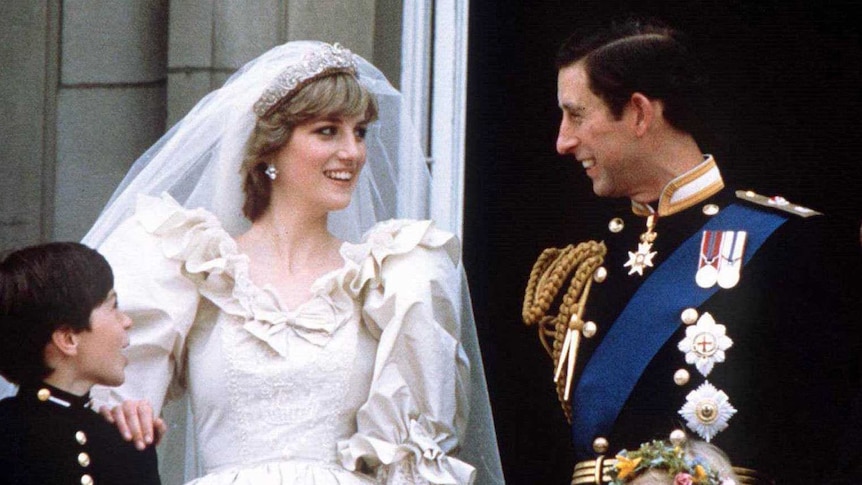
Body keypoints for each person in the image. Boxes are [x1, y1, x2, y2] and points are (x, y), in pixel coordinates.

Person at [82, 41, 502, 484]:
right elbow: (105, 406)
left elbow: (415, 460)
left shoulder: (387, 278)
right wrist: (122, 415)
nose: (353, 152)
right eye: (327, 131)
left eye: (359, 132)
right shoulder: (195, 268)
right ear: (270, 149)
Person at [522, 19, 862, 484]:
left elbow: (835, 442)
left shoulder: (788, 245)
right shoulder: (587, 267)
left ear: (640, 114)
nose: (563, 141)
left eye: (577, 115)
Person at [0, 242, 161, 485]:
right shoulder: (7, 435)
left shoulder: (126, 443)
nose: (126, 321)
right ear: (68, 339)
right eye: (113, 306)